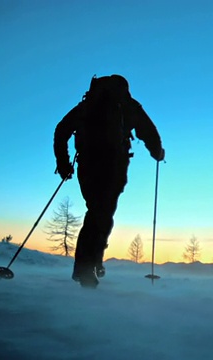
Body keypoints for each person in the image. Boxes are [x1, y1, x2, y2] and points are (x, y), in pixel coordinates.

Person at [53, 74, 165, 288]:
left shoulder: (87, 105)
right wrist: (157, 151)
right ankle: (86, 268)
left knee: (97, 212)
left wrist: (64, 164)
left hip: (88, 166)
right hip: (114, 167)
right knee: (102, 214)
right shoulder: (126, 105)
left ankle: (92, 262)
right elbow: (147, 130)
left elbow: (61, 130)